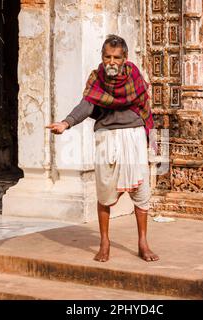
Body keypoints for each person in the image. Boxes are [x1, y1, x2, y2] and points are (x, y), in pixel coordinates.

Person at [46, 34, 159, 263]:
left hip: (133, 136)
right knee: (105, 190)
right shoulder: (97, 78)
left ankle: (143, 242)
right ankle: (104, 242)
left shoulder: (134, 76)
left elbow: (144, 107)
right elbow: (87, 104)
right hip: (106, 137)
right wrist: (66, 123)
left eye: (116, 57)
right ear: (102, 56)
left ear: (125, 58)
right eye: (107, 56)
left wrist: (150, 138)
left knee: (141, 191)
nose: (112, 61)